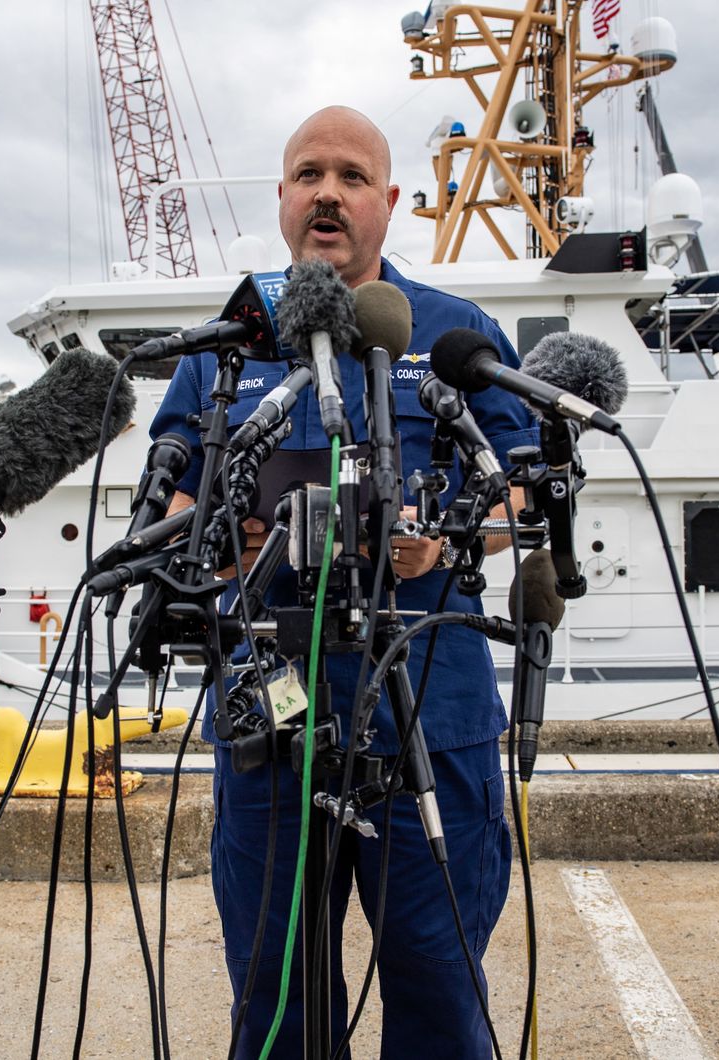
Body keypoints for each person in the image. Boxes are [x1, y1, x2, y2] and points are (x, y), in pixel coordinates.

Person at [149, 106, 537, 1057]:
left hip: (424, 705)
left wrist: (447, 543)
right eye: (309, 174)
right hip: (268, 707)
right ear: (283, 199)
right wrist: (210, 538)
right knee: (275, 993)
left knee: (438, 981)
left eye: (353, 176)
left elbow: (527, 488)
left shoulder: (454, 333)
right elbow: (167, 498)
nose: (329, 193)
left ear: (388, 202)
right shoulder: (230, 345)